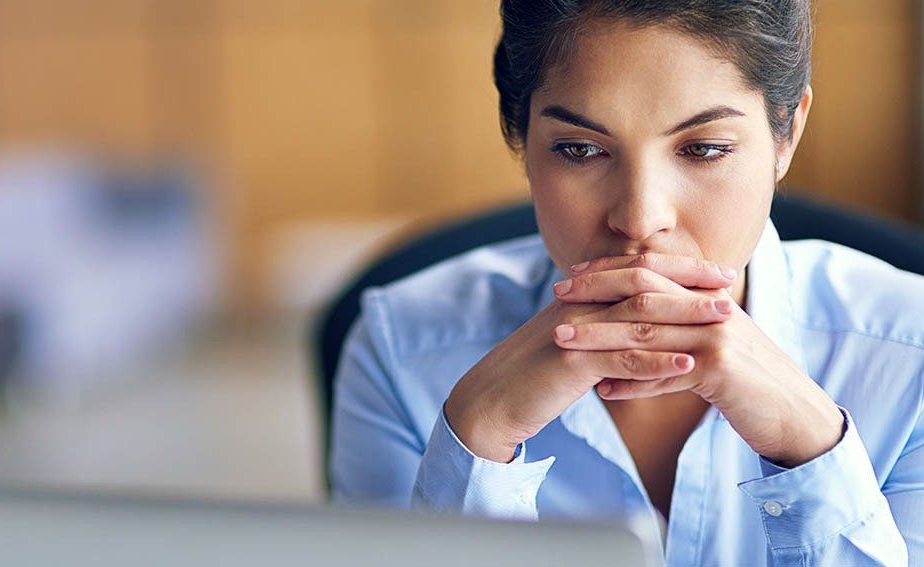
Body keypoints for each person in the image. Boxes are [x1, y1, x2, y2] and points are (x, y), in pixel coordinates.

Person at [330, 1, 924, 564]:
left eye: (704, 149)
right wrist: (477, 442)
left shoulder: (910, 356)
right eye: (580, 149)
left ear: (786, 133)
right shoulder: (400, 347)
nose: (639, 219)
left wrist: (813, 448)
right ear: (521, 139)